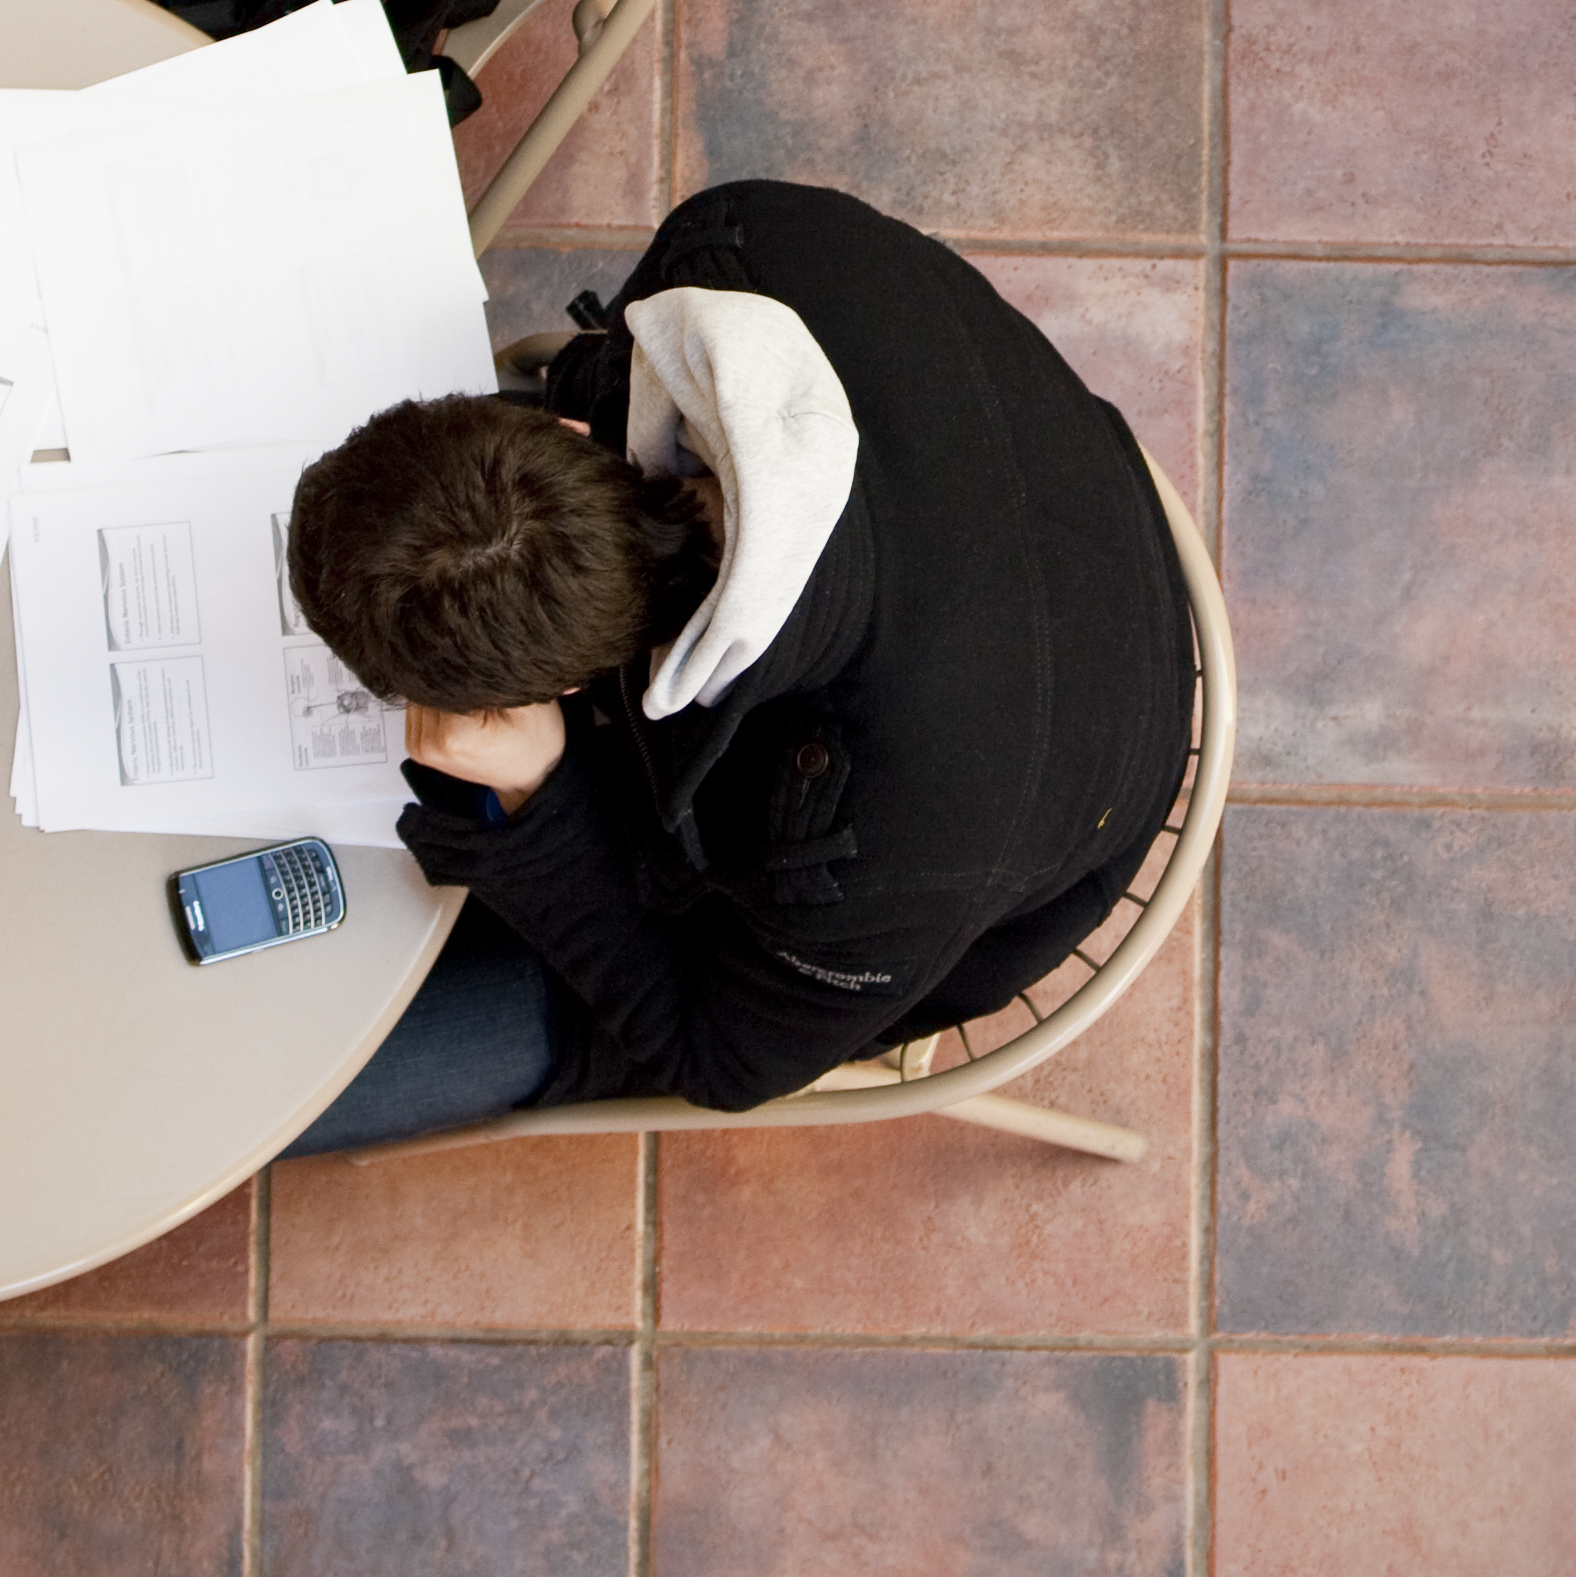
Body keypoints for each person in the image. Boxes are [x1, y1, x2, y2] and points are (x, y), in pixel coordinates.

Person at [280, 178, 1192, 1143]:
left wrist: (542, 801)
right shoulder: (748, 240)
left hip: (1019, 785)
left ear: (565, 692)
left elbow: (718, 1057)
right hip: (1031, 514)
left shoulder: (877, 852)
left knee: (286, 1086)